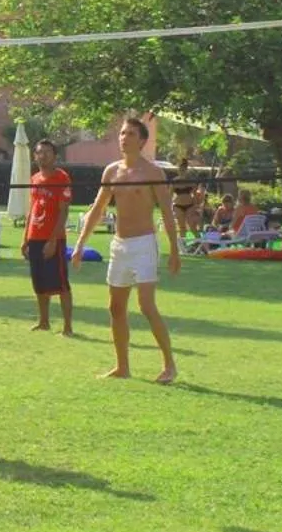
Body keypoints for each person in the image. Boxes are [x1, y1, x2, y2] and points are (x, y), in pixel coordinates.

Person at [70, 116, 181, 384]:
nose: (124, 138)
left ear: (142, 141)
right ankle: (122, 367)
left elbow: (167, 212)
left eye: (130, 134)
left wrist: (175, 251)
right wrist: (80, 243)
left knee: (146, 305)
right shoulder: (111, 171)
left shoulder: (153, 173)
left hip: (144, 244)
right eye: (121, 133)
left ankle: (169, 365)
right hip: (119, 246)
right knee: (115, 308)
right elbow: (97, 209)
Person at [23, 138, 75, 335]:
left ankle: (67, 326)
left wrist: (53, 240)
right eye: (39, 152)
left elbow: (64, 212)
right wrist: (25, 239)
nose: (42, 156)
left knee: (61, 283)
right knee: (39, 282)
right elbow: (32, 210)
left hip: (54, 238)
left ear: (55, 156)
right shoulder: (34, 179)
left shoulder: (62, 178)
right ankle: (44, 321)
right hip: (34, 237)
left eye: (46, 152)